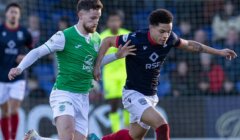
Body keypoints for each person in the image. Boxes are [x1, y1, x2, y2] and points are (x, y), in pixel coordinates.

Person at [94, 9, 237, 140]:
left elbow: (191, 45)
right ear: (151, 27)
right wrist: (97, 66)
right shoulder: (136, 39)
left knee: (133, 137)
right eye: (162, 31)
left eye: (168, 31)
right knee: (162, 126)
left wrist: (219, 52)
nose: (165, 36)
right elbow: (107, 41)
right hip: (133, 95)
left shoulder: (170, 39)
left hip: (151, 96)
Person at [8, 0, 135, 140]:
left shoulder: (97, 39)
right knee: (67, 137)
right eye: (92, 18)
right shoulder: (64, 36)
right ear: (80, 15)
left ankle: (37, 139)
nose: (95, 22)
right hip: (64, 93)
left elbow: (95, 64)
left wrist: (117, 55)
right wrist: (20, 68)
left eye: (98, 18)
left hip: (83, 98)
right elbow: (37, 52)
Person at [0, 3, 33, 140]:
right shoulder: (0, 30)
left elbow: (33, 52)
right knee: (4, 111)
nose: (13, 14)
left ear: (19, 15)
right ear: (6, 14)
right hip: (1, 77)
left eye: (16, 12)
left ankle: (13, 138)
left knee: (14, 108)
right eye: (11, 12)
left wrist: (24, 57)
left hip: (17, 77)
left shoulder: (25, 33)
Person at [100, 10, 130, 133]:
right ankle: (116, 132)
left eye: (116, 20)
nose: (114, 23)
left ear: (120, 22)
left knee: (128, 102)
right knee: (113, 104)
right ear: (107, 22)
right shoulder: (102, 37)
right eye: (111, 21)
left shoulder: (127, 35)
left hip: (125, 73)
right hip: (109, 75)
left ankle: (128, 129)